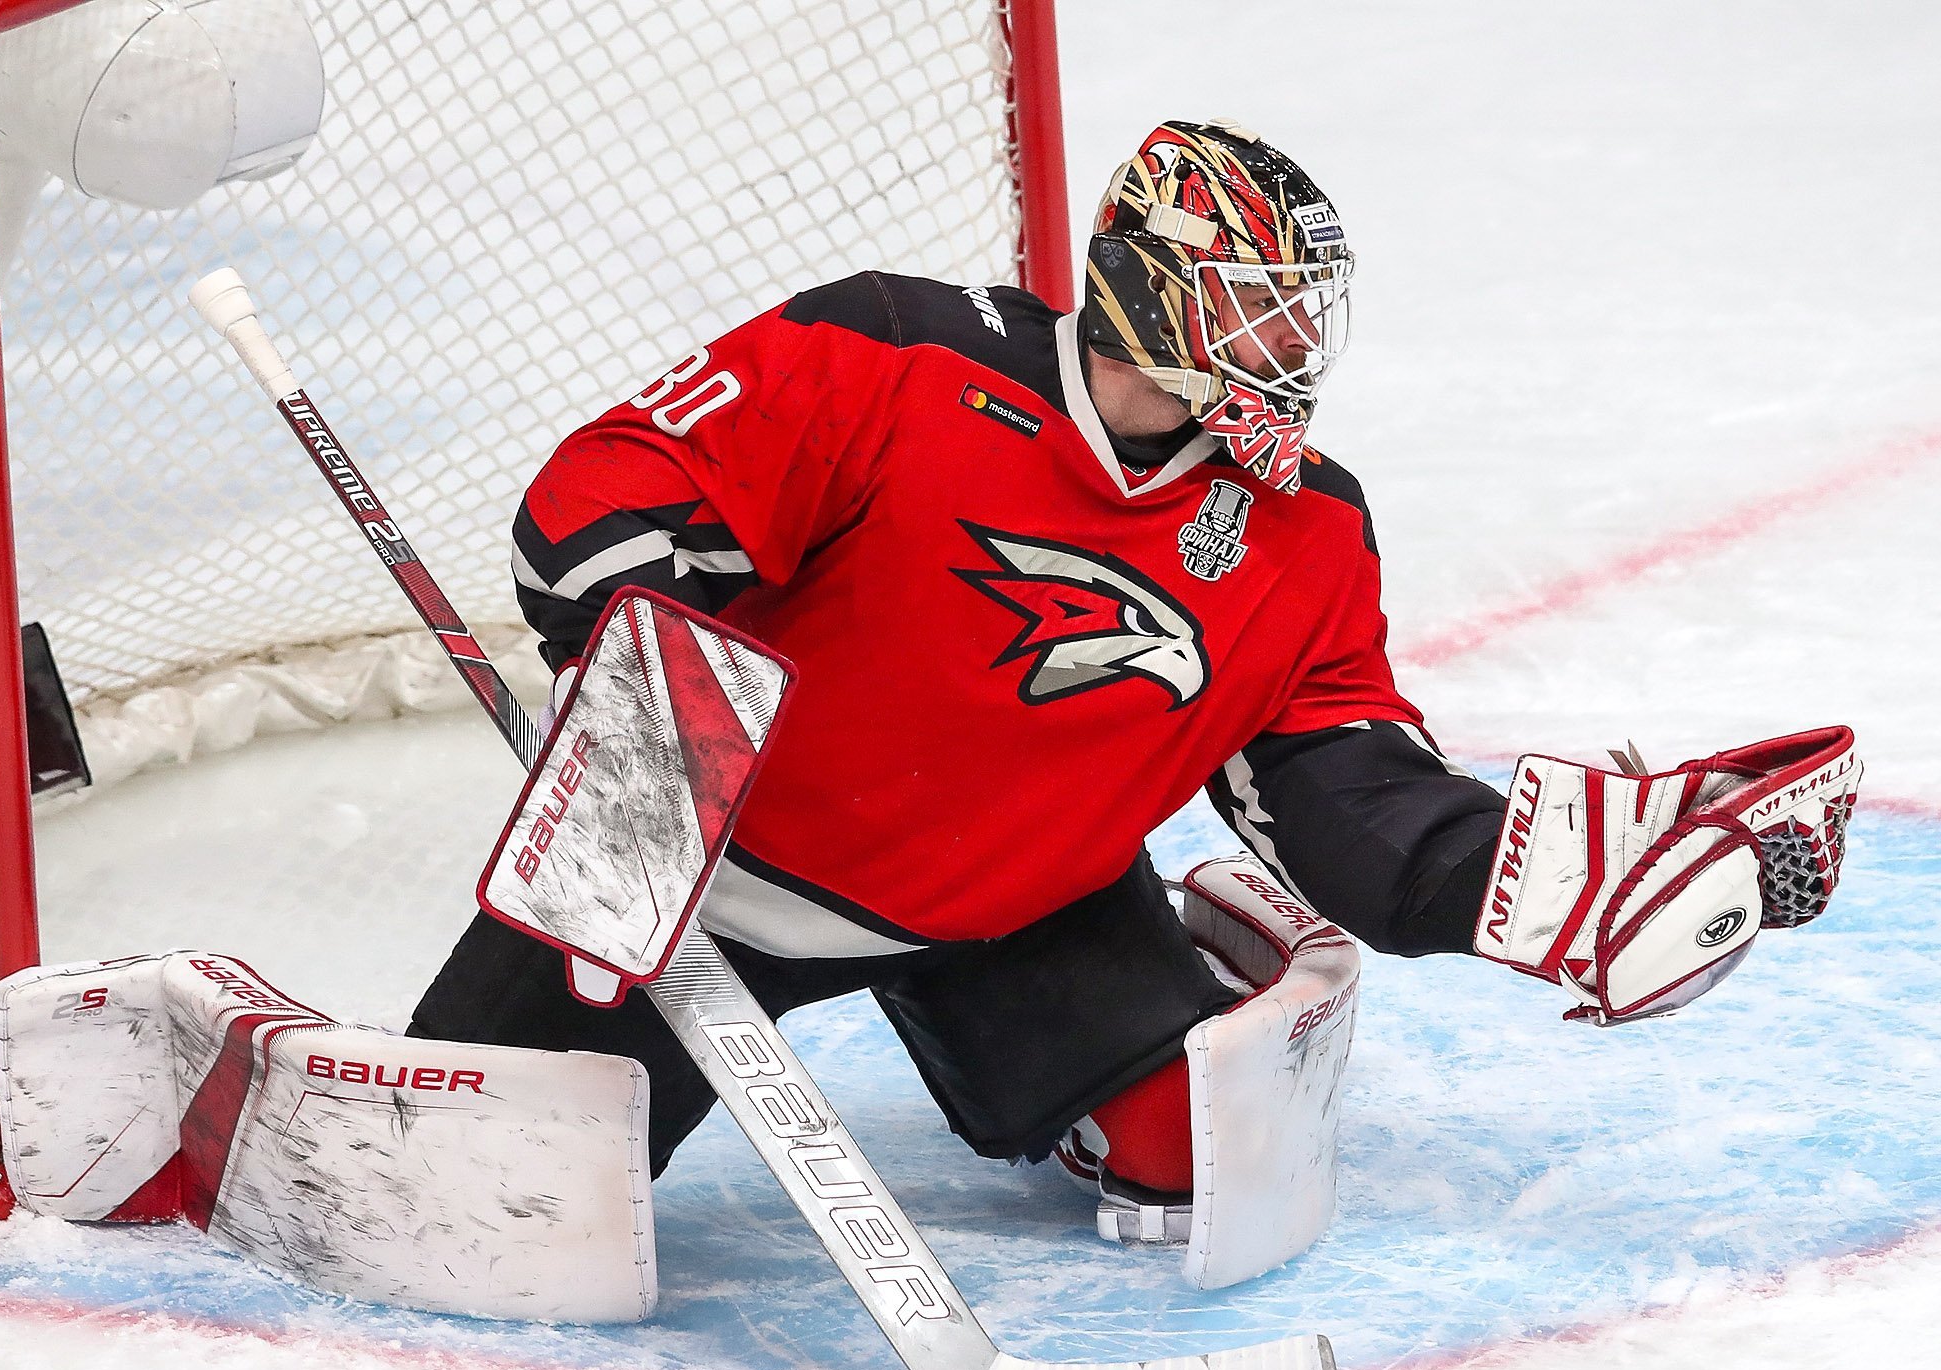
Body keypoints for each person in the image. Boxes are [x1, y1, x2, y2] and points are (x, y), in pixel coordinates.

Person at [409, 119, 1855, 1225]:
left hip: (1017, 906)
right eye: (1259, 304)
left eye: (1305, 313)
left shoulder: (1307, 528)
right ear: (1153, 288)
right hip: (693, 883)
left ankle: (1191, 950)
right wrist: (644, 694)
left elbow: (1346, 793)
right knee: (465, 1203)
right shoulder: (894, 352)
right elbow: (604, 498)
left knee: (1194, 1165)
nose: (1293, 346)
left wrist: (1554, 885)